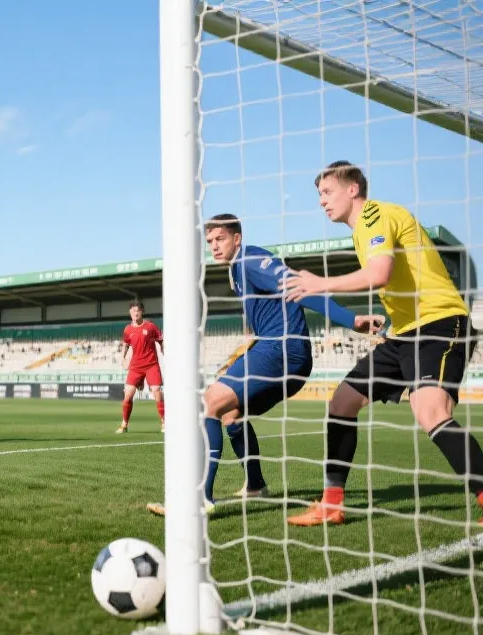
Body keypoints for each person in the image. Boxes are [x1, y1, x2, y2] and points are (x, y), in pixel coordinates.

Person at [283, 161, 483, 526]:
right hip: (404, 333)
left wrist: (319, 284)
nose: (322, 202)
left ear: (353, 189)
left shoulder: (375, 214)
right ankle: (332, 504)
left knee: (431, 412)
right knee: (342, 401)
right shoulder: (361, 231)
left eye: (327, 192)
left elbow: (379, 274)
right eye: (319, 195)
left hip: (439, 323)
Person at [147, 214, 381, 516]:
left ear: (237, 238)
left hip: (281, 349)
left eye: (220, 239)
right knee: (231, 414)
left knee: (209, 404)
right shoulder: (236, 271)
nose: (214, 246)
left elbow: (300, 288)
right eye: (209, 242)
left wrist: (351, 320)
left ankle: (198, 497)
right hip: (285, 353)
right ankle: (256, 484)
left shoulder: (250, 258)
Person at [116, 300, 165, 434]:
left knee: (157, 391)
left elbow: (161, 340)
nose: (135, 313)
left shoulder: (150, 327)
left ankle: (164, 422)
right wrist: (124, 359)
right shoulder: (128, 329)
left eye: (137, 311)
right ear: (130, 313)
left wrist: (164, 349)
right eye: (132, 311)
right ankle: (124, 424)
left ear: (142, 311)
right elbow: (126, 344)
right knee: (128, 395)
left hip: (151, 364)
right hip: (136, 366)